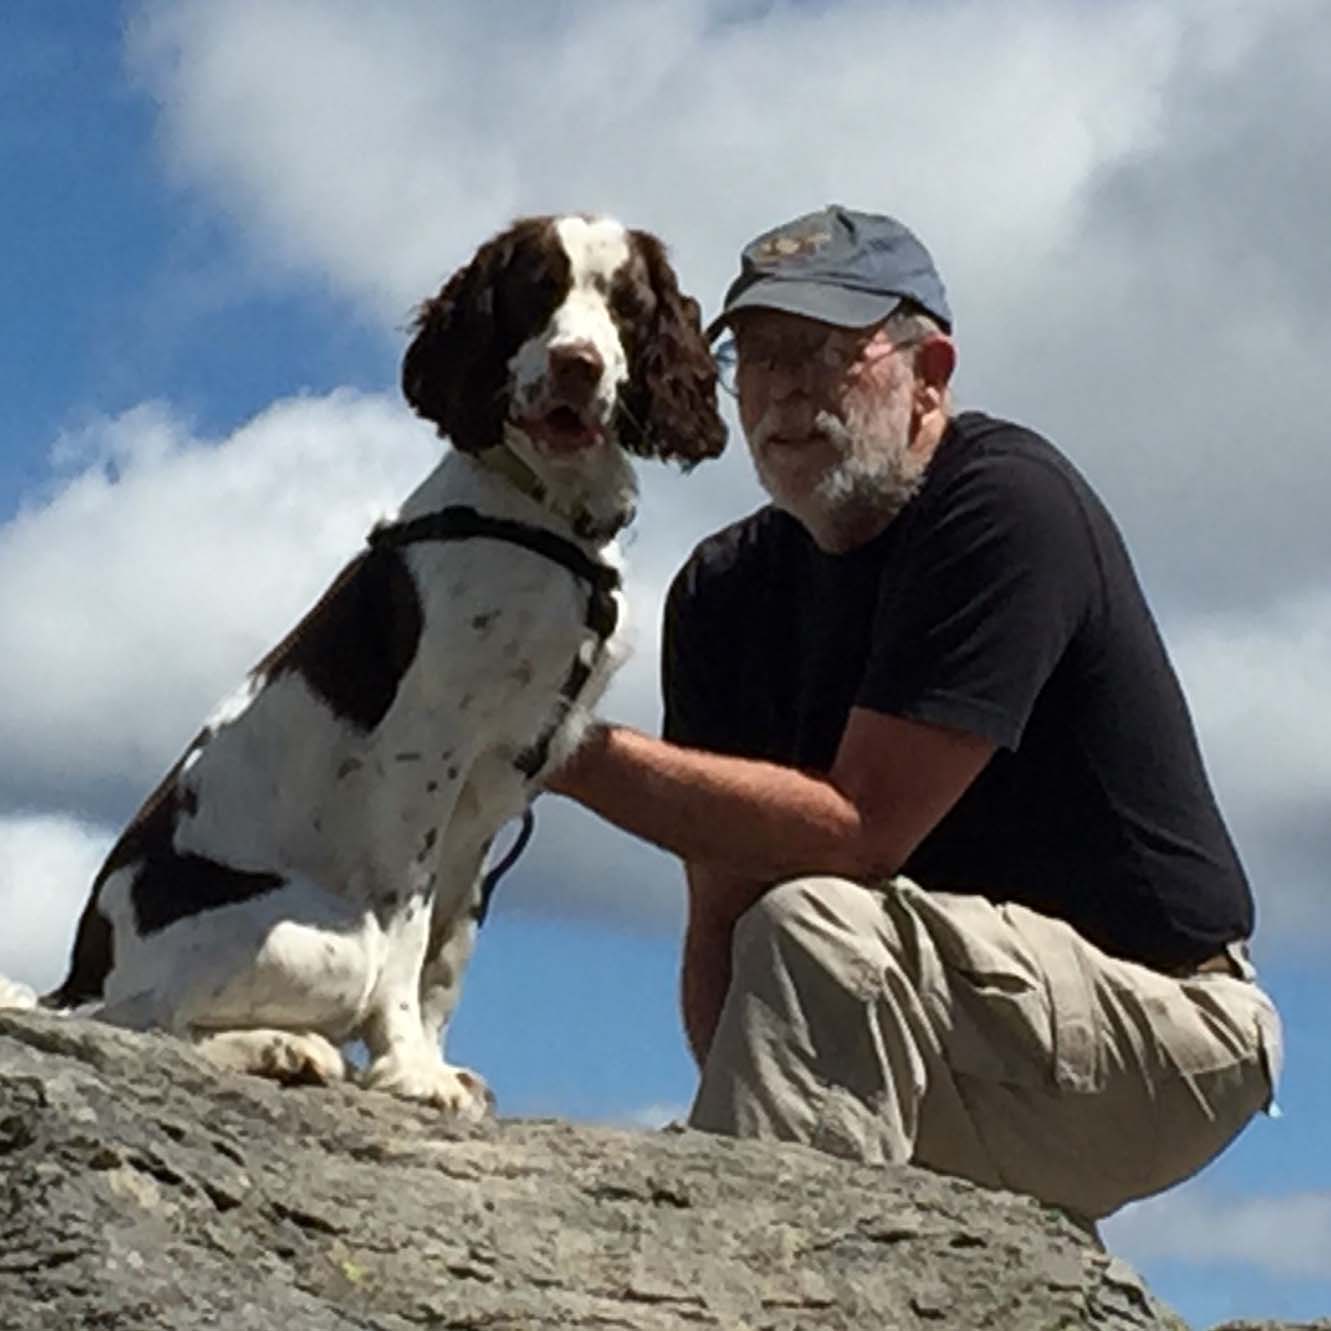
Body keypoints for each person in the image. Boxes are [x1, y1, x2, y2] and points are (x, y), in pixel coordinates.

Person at [548, 204, 1282, 1221]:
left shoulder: (1002, 503)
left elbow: (860, 828)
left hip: (1166, 1023)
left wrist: (552, 745)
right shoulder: (720, 595)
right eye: (757, 358)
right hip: (938, 1016)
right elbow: (720, 913)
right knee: (789, 934)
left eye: (824, 352)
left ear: (927, 373)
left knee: (814, 923)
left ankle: (762, 1277)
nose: (785, 390)